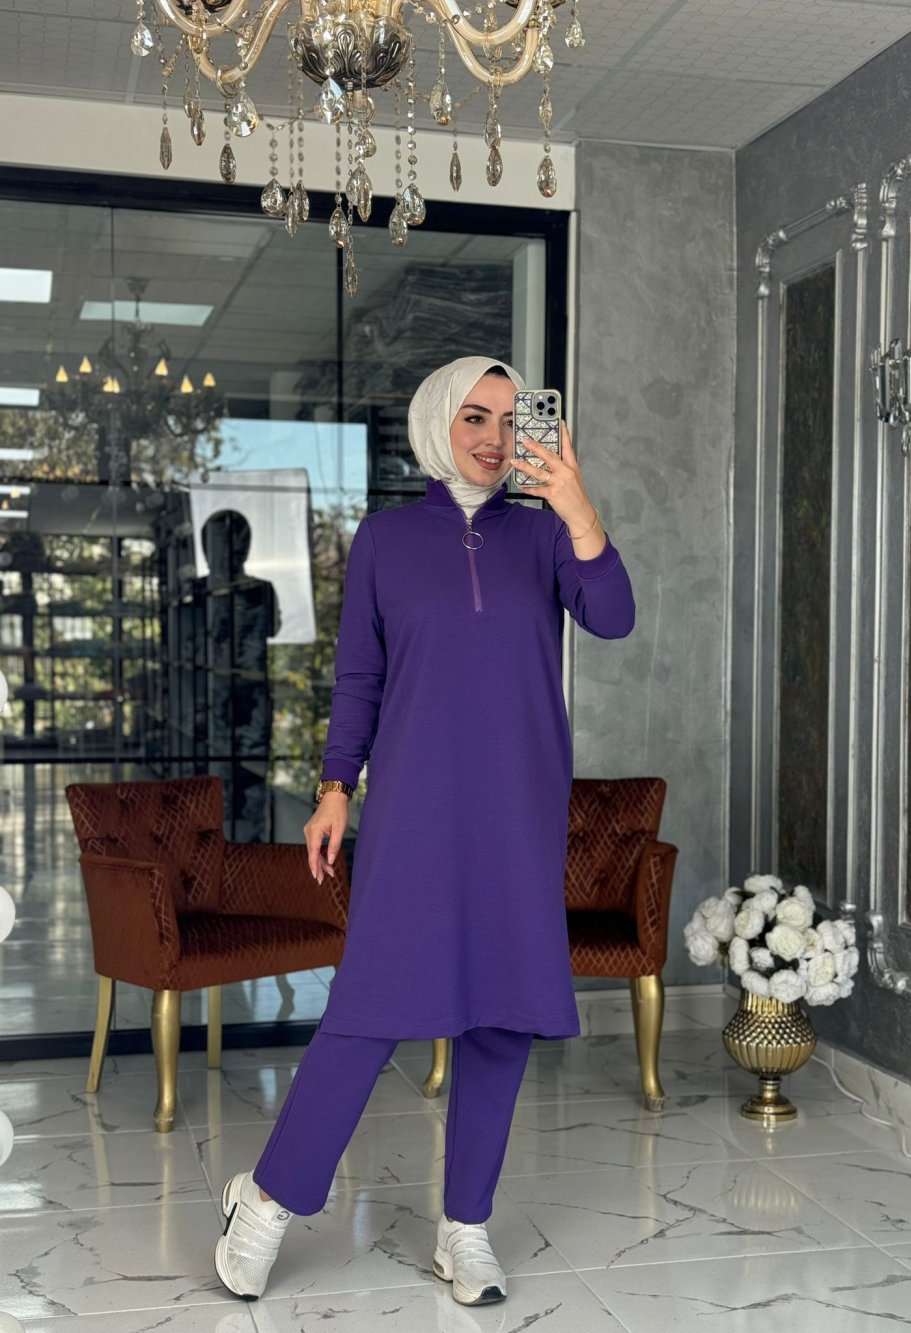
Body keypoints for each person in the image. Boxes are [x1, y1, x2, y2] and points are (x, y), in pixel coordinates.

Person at [213, 356, 635, 1307]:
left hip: (520, 806)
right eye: (474, 417)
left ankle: (466, 1228)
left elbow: (613, 617)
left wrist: (577, 506)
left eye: (510, 419)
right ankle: (268, 1199)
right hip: (413, 807)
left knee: (504, 1014)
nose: (494, 437)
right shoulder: (387, 539)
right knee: (369, 1007)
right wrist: (333, 788)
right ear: (438, 422)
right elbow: (359, 675)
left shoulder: (546, 535)